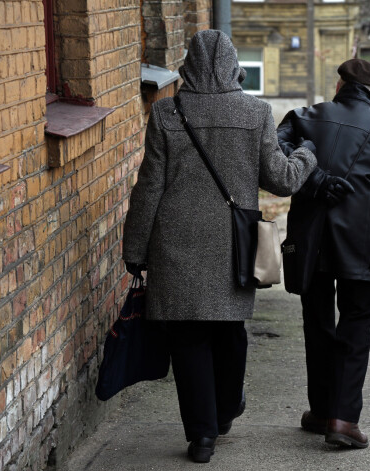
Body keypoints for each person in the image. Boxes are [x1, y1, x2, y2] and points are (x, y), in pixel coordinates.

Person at [122, 30, 316, 463]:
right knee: (230, 333)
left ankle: (202, 436)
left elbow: (149, 187)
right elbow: (281, 179)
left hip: (175, 245)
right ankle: (226, 410)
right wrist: (307, 155)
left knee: (188, 339)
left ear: (188, 66)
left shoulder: (168, 113)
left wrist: (135, 247)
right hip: (233, 245)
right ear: (235, 67)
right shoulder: (256, 112)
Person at [277, 58, 370, 448]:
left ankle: (323, 410)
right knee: (356, 324)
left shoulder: (304, 117)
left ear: (340, 86)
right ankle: (342, 420)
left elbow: (275, 152)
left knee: (318, 322)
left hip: (311, 239)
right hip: (359, 243)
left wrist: (314, 181)